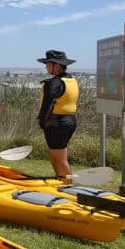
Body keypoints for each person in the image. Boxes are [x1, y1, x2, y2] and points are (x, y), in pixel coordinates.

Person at [37, 50, 79, 180]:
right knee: (54, 154)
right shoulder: (71, 80)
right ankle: (61, 180)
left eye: (48, 64)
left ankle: (66, 185)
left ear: (57, 65)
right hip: (69, 120)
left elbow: (47, 104)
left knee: (60, 158)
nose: (46, 67)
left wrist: (41, 121)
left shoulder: (55, 82)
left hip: (56, 123)